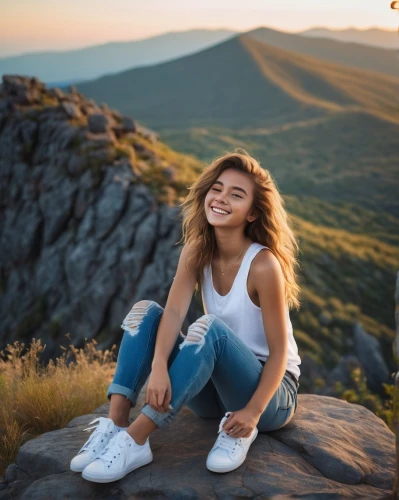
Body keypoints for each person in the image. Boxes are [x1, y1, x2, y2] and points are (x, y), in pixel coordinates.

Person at [70, 148, 302, 483]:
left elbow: (280, 353)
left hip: (270, 395)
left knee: (209, 328)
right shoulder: (197, 250)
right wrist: (159, 367)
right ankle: (117, 422)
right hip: (215, 397)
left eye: (236, 195)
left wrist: (252, 412)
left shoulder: (263, 265)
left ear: (252, 213)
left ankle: (135, 440)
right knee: (146, 312)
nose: (220, 199)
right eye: (217, 188)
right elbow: (175, 311)